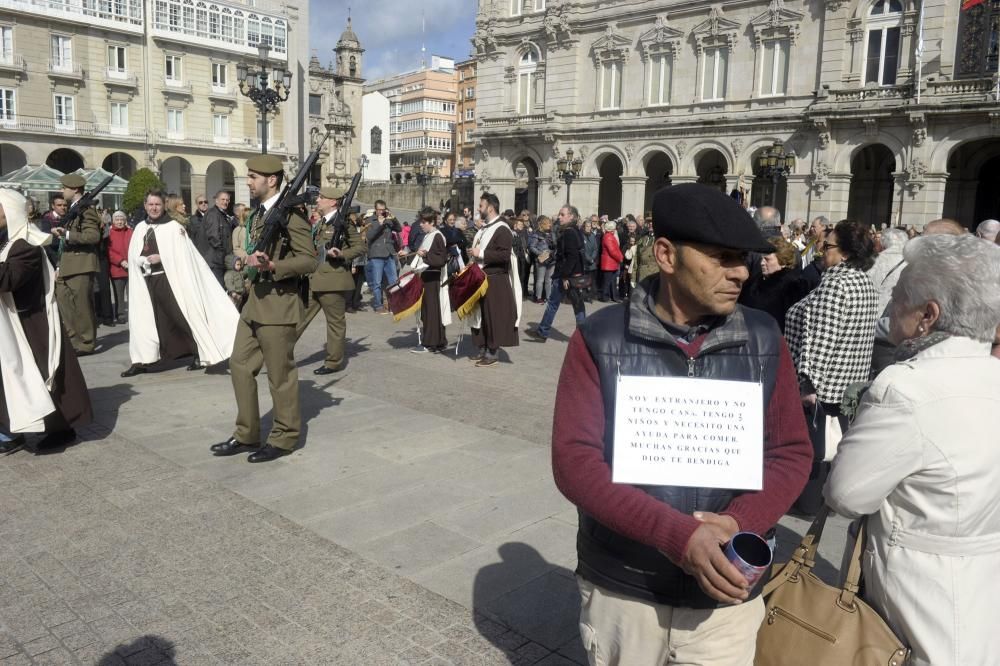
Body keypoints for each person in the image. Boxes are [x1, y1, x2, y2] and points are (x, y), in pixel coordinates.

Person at [552, 184, 812, 665]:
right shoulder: (600, 337)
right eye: (723, 257)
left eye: (745, 259)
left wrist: (739, 523)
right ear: (667, 255)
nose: (740, 273)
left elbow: (790, 452)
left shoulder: (762, 336)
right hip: (625, 587)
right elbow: (575, 462)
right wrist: (676, 536)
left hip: (726, 597)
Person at [825, 233, 1000, 666]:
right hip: (982, 585)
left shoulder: (905, 388)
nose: (889, 307)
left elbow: (846, 495)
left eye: (899, 297)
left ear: (928, 315)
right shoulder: (991, 374)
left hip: (918, 591)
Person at [211, 155, 316, 463]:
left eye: (253, 176)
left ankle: (285, 437)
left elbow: (309, 260)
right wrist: (248, 262)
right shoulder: (257, 215)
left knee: (279, 375)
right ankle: (246, 432)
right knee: (240, 365)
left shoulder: (291, 217)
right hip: (254, 302)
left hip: (278, 306)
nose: (248, 181)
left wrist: (275, 265)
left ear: (272, 180)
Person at [784, 219, 880, 514]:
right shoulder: (865, 283)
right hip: (849, 380)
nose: (821, 251)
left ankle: (808, 504)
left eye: (828, 246)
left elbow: (819, 338)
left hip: (824, 384)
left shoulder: (835, 284)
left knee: (815, 448)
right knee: (832, 447)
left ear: (846, 253)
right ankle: (820, 500)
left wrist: (807, 382)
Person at [0, 188, 93, 452]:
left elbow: (9, 279)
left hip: (33, 323)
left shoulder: (27, 243)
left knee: (47, 376)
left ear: (10, 211)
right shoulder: (7, 241)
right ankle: (13, 430)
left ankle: (62, 428)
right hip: (11, 323)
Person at [120, 190, 239, 378]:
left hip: (169, 280)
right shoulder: (140, 228)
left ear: (163, 206)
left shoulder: (173, 228)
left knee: (181, 316)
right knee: (144, 320)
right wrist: (139, 260)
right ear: (145, 206)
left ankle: (198, 353)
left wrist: (162, 257)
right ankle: (141, 359)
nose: (153, 208)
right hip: (145, 281)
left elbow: (184, 256)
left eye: (157, 204)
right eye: (150, 204)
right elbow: (134, 253)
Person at [295, 187, 364, 374]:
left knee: (335, 323)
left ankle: (333, 362)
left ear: (333, 202)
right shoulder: (322, 222)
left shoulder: (343, 223)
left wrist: (342, 254)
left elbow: (360, 247)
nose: (317, 200)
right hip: (314, 278)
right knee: (298, 318)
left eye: (322, 197)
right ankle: (279, 354)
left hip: (333, 281)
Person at [50, 174, 101, 355]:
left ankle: (86, 343)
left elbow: (93, 236)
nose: (62, 191)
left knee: (82, 308)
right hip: (66, 264)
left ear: (75, 189)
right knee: (65, 305)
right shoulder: (72, 210)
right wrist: (58, 266)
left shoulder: (86, 210)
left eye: (65, 188)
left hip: (81, 263)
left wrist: (68, 234)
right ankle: (73, 340)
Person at [469, 192, 522, 367]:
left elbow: (504, 255)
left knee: (493, 317)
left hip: (495, 279)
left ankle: (492, 352)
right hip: (482, 278)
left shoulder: (502, 228)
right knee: (482, 316)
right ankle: (483, 347)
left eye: (481, 205)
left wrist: (481, 253)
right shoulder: (486, 228)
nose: (479, 208)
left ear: (490, 207)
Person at [526, 205, 587, 343]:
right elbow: (568, 253)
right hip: (571, 274)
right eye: (559, 214)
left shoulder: (570, 232)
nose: (559, 217)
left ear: (571, 216)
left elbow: (572, 256)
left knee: (558, 304)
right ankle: (544, 331)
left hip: (567, 275)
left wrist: (566, 276)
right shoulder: (573, 230)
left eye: (562, 214)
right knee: (575, 304)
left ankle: (581, 336)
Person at [737, 237, 811, 333]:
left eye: (767, 260)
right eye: (761, 259)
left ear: (783, 262)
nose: (762, 263)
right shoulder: (757, 281)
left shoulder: (792, 287)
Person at [409, 207, 451, 353]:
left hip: (433, 278)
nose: (421, 224)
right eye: (421, 221)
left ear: (432, 222)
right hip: (427, 277)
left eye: (424, 222)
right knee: (429, 311)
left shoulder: (437, 236)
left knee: (431, 311)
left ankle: (430, 343)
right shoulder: (429, 235)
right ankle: (438, 342)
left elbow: (441, 259)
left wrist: (425, 256)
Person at [364, 200, 401, 314]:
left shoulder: (388, 219)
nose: (381, 212)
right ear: (375, 209)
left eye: (383, 209)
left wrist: (393, 218)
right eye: (379, 209)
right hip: (376, 254)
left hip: (389, 253)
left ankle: (394, 305)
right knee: (377, 282)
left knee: (393, 281)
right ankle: (378, 305)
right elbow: (369, 236)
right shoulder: (370, 220)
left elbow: (399, 229)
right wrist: (380, 225)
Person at [195, 191, 233, 285]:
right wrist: (223, 255)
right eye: (222, 199)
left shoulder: (221, 214)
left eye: (227, 200)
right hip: (214, 261)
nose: (225, 202)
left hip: (217, 260)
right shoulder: (213, 214)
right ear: (216, 201)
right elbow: (214, 237)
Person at [107, 211, 133, 324]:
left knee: (133, 294)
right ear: (113, 221)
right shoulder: (109, 233)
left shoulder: (130, 232)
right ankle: (120, 314)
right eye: (117, 219)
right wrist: (121, 261)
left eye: (121, 219)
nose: (119, 221)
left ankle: (134, 314)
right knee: (119, 294)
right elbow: (108, 251)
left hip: (131, 267)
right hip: (117, 268)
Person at [529, 215, 555, 304]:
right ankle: (538, 297)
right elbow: (532, 247)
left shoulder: (552, 234)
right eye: (548, 223)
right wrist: (541, 254)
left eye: (550, 223)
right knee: (540, 280)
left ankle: (548, 297)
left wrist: (553, 252)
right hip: (542, 260)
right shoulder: (536, 234)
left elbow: (555, 245)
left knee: (549, 280)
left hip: (551, 260)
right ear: (543, 224)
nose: (550, 225)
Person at [599, 220, 623, 302]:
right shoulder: (609, 237)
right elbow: (613, 251)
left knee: (611, 281)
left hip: (611, 262)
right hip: (609, 262)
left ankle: (613, 297)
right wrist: (620, 258)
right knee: (608, 282)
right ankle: (605, 297)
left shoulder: (608, 236)